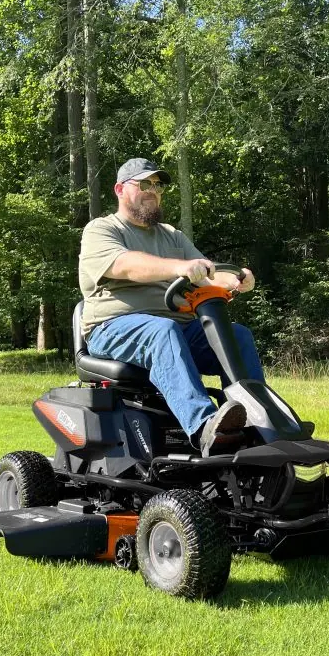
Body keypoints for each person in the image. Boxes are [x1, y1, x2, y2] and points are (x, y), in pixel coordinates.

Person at [78, 157, 265, 457]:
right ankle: (205, 427)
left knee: (237, 335)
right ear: (120, 190)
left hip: (176, 328)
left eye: (157, 185)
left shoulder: (171, 235)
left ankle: (259, 423)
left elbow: (209, 272)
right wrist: (179, 267)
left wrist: (238, 279)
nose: (153, 191)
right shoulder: (102, 230)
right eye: (144, 184)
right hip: (112, 327)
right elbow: (126, 265)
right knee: (162, 331)